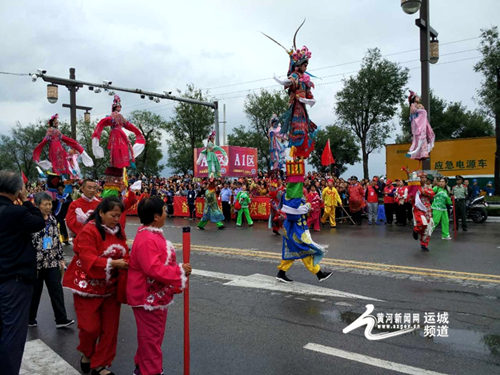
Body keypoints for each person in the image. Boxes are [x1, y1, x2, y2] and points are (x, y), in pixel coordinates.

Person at [63, 197, 129, 375]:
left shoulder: (118, 231)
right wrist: (114, 264)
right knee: (90, 328)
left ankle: (101, 365)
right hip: (88, 287)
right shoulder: (89, 231)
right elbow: (87, 258)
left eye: (118, 215)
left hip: (111, 288)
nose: (116, 219)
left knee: (110, 329)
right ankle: (87, 354)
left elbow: (126, 253)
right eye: (113, 215)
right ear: (101, 213)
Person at [127, 197, 191, 375]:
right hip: (147, 298)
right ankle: (151, 371)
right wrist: (178, 272)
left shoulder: (150, 233)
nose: (166, 213)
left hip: (153, 297)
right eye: (164, 210)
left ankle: (142, 368)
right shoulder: (148, 238)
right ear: (156, 216)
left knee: (150, 338)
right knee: (151, 340)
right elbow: (153, 269)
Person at [0, 171, 46, 375]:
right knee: (13, 333)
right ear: (18, 189)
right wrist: (26, 200)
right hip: (14, 280)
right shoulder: (15, 213)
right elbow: (39, 221)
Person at [276, 161, 332, 283]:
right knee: (304, 250)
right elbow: (293, 215)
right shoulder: (291, 197)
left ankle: (281, 272)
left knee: (292, 251)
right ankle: (319, 273)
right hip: (294, 228)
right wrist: (306, 207)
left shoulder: (292, 195)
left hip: (294, 228)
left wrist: (305, 207)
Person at [269, 24, 317, 159]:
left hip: (302, 108)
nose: (305, 67)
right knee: (296, 129)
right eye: (304, 64)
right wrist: (276, 78)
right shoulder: (296, 76)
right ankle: (296, 156)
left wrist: (306, 100)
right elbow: (287, 82)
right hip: (295, 106)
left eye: (306, 65)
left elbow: (312, 99)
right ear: (298, 65)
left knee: (304, 129)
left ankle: (301, 156)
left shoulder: (306, 79)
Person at [29, 192, 74, 328]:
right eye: (45, 204)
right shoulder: (31, 220)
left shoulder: (53, 220)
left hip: (52, 261)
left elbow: (57, 241)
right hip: (36, 262)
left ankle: (61, 319)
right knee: (35, 292)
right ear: (37, 205)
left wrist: (60, 258)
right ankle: (30, 318)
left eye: (50, 204)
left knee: (56, 290)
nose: (49, 207)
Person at [92, 95, 145, 169]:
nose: (120, 108)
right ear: (115, 107)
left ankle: (122, 163)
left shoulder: (118, 116)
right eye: (118, 106)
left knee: (122, 147)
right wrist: (137, 132)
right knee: (120, 147)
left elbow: (127, 125)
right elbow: (126, 124)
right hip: (116, 133)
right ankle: (123, 162)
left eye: (120, 106)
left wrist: (137, 132)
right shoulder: (114, 115)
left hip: (118, 133)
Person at [406, 91, 435, 160]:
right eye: (417, 97)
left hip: (421, 124)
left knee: (422, 138)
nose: (418, 98)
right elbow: (416, 113)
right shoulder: (413, 106)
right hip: (417, 124)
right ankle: (418, 153)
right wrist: (421, 111)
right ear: (414, 98)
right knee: (419, 138)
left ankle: (423, 154)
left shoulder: (418, 105)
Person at [412, 172, 435, 251]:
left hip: (427, 209)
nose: (424, 179)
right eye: (421, 177)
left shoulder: (427, 187)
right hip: (418, 209)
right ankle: (416, 230)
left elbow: (432, 194)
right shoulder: (415, 187)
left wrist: (425, 192)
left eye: (425, 177)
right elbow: (411, 194)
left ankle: (424, 244)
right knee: (422, 223)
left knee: (429, 227)